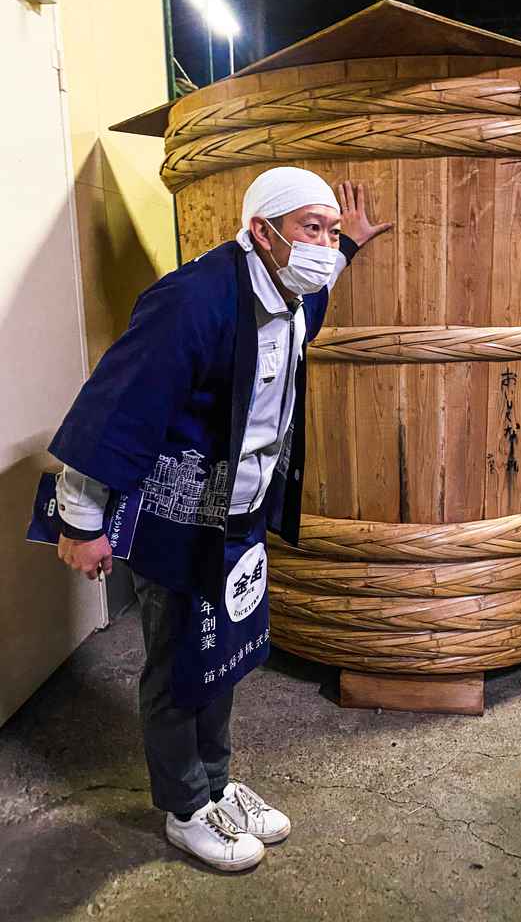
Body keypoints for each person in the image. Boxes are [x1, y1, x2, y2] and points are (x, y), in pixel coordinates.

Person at [49, 167, 392, 872]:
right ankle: (184, 808)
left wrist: (348, 248)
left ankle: (217, 781)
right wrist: (81, 522)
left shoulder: (290, 290)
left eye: (330, 231)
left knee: (224, 651)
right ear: (261, 232)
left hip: (240, 515)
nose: (323, 246)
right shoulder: (192, 301)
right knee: (180, 660)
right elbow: (116, 407)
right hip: (181, 514)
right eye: (310, 230)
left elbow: (312, 303)